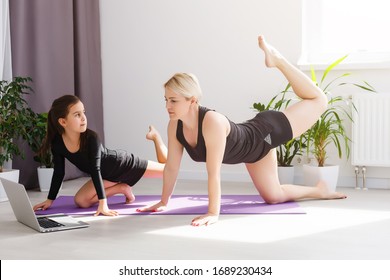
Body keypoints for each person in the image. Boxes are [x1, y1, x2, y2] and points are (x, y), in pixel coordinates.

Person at [137, 35, 347, 226]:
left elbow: (214, 173)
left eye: (173, 101)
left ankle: (278, 59)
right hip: (253, 152)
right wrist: (164, 201)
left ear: (192, 101)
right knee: (273, 196)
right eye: (166, 100)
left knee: (319, 100)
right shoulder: (175, 125)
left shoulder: (212, 122)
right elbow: (172, 167)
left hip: (265, 132)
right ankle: (320, 190)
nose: (167, 106)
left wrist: (213, 212)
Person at [33, 95, 167, 217]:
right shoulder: (58, 143)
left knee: (168, 169)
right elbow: (59, 172)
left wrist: (103, 204)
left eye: (83, 113)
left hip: (121, 165)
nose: (83, 118)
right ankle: (122, 188)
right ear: (63, 122)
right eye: (77, 115)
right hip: (105, 177)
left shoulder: (91, 138)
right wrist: (50, 200)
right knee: (81, 201)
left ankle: (156, 137)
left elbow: (95, 169)